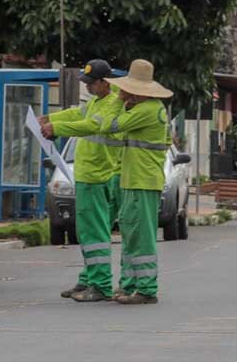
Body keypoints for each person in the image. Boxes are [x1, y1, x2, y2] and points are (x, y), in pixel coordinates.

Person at [46, 59, 172, 305]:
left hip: (142, 181)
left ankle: (145, 288)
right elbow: (84, 115)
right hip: (130, 179)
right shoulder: (134, 108)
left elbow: (108, 125)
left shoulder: (146, 110)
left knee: (142, 237)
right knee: (131, 233)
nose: (122, 92)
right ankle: (130, 285)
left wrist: (116, 100)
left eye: (127, 88)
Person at [40, 60, 125, 302]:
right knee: (87, 232)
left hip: (98, 176)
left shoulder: (113, 104)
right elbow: (78, 113)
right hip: (88, 175)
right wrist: (49, 117)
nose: (87, 87)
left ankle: (101, 285)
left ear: (104, 82)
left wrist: (56, 127)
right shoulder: (98, 101)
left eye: (91, 83)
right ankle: (88, 279)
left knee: (96, 233)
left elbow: (89, 125)